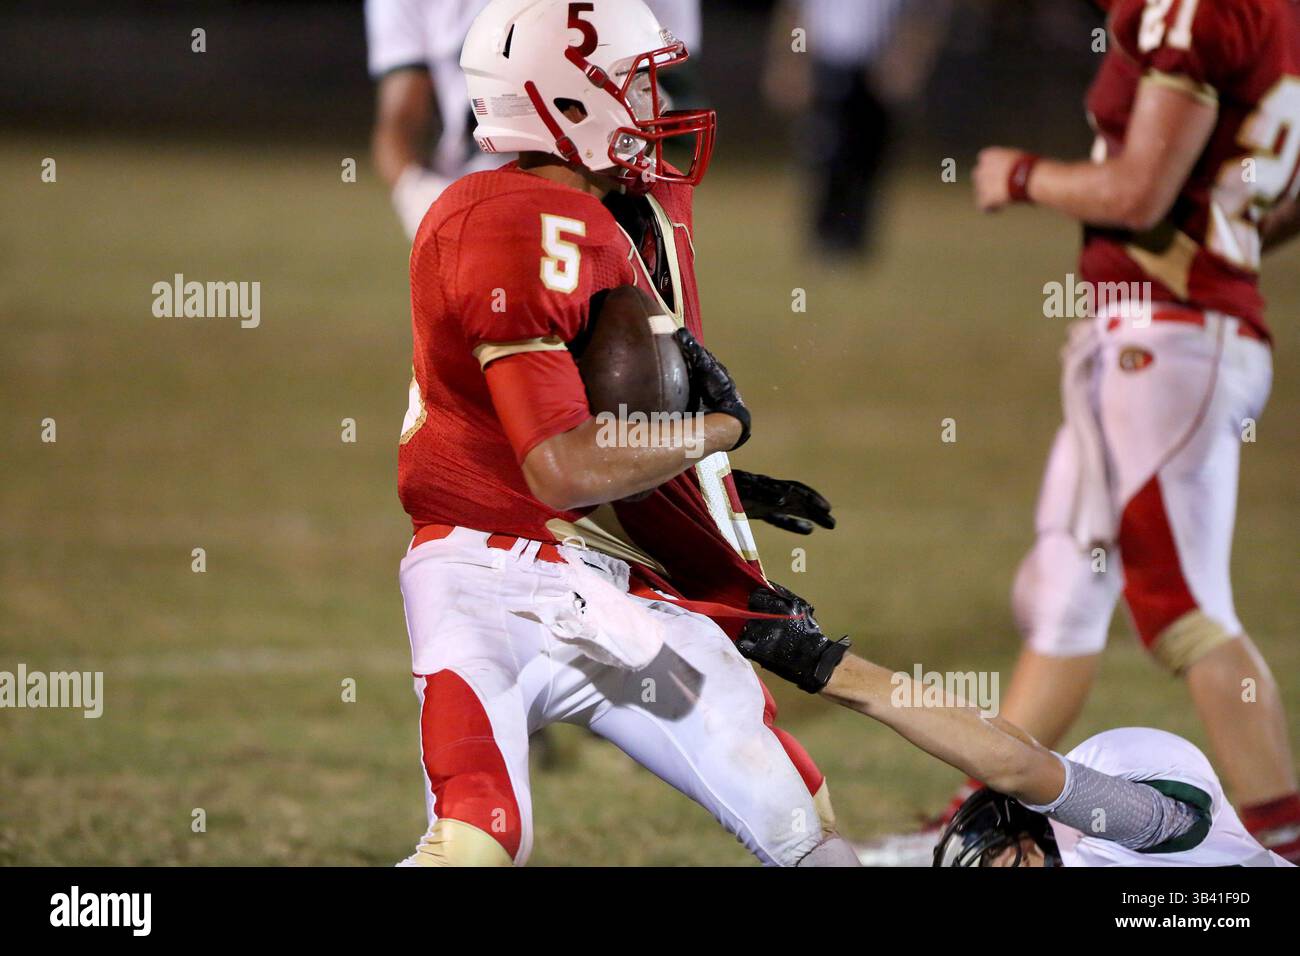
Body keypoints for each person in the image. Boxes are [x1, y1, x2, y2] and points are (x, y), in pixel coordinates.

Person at [394, 0, 851, 866]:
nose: (655, 102)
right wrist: (715, 431)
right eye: (634, 82)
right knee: (482, 839)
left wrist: (710, 490)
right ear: (564, 103)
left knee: (801, 815)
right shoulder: (513, 218)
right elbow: (562, 467)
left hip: (599, 577)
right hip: (488, 576)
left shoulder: (587, 215)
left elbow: (580, 420)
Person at [961, 0, 1300, 863]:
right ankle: (986, 809)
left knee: (1185, 611)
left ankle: (1285, 839)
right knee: (1071, 585)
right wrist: (1227, 229)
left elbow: (1137, 189)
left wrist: (1022, 173)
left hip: (1172, 338)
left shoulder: (1191, 11)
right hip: (1166, 330)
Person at [802, 653, 1293, 866]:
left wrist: (827, 667)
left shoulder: (1152, 822)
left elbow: (1016, 765)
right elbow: (1015, 749)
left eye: (1011, 860)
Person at [366, 0, 703, 239]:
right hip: (487, 204)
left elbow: (666, 88)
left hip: (610, 186)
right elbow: (401, 117)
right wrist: (417, 193)